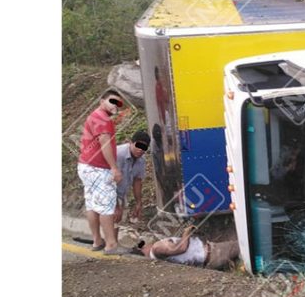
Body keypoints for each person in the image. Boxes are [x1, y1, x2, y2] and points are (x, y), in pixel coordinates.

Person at [77, 89, 129, 255]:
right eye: (112, 101)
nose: (116, 105)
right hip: (98, 168)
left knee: (92, 205)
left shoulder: (94, 116)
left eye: (118, 103)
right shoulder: (103, 119)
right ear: (101, 101)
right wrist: (114, 167)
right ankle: (111, 245)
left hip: (86, 166)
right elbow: (105, 143)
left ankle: (97, 240)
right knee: (106, 206)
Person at [139, 226, 240, 270]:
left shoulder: (156, 259)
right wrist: (187, 231)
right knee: (244, 244)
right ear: (143, 247)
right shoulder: (156, 248)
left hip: (210, 257)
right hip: (213, 254)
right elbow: (181, 248)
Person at [115, 130, 150, 222]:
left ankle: (112, 236)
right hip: (106, 190)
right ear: (131, 143)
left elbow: (137, 181)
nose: (140, 150)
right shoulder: (118, 154)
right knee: (111, 216)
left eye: (144, 148)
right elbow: (108, 181)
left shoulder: (141, 160)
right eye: (138, 146)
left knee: (117, 219)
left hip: (121, 193)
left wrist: (138, 202)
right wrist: (115, 205)